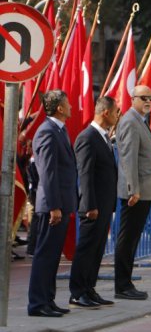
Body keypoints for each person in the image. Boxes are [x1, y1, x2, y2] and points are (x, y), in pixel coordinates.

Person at [27, 90, 77, 318]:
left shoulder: (59, 130)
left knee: (53, 256)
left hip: (60, 203)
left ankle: (48, 299)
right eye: (67, 103)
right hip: (51, 206)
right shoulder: (47, 131)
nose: (70, 106)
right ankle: (37, 303)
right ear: (58, 107)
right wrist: (55, 206)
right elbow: (47, 172)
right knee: (45, 255)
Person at [68, 96, 119, 308]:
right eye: (116, 111)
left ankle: (89, 288)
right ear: (105, 112)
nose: (118, 116)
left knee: (97, 248)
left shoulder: (104, 137)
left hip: (104, 204)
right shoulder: (87, 137)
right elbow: (85, 174)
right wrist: (89, 204)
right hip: (93, 206)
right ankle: (77, 292)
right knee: (87, 249)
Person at [114, 85, 151, 300]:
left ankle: (126, 282)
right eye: (144, 98)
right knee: (128, 238)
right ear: (132, 99)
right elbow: (128, 158)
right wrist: (133, 189)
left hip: (144, 190)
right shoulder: (130, 122)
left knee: (133, 238)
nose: (149, 101)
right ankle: (122, 285)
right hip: (136, 192)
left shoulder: (140, 121)